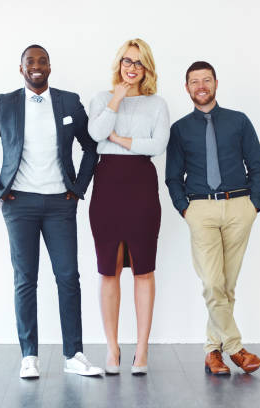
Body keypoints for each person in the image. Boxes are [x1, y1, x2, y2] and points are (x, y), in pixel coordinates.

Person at [0, 44, 103, 378]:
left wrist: (79, 188)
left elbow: (91, 147)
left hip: (61, 203)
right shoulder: (6, 103)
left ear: (49, 66)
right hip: (19, 205)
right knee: (25, 280)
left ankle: (74, 355)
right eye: (30, 62)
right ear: (21, 69)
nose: (37, 66)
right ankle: (29, 356)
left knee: (68, 278)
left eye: (42, 61)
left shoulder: (69, 101)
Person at [166, 61, 260, 375]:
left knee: (226, 286)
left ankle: (212, 353)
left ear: (216, 83)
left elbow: (257, 165)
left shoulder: (239, 121)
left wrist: (254, 203)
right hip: (201, 209)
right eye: (194, 81)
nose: (201, 86)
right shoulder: (180, 129)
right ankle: (235, 348)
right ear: (187, 88)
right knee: (212, 283)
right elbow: (172, 177)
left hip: (239, 206)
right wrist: (185, 208)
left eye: (206, 80)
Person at [87, 38, 169, 375]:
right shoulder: (103, 99)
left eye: (138, 62)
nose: (131, 68)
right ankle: (112, 348)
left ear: (146, 67)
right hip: (106, 187)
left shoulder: (157, 103)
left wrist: (119, 140)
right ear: (119, 64)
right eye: (126, 61)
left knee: (143, 269)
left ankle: (142, 349)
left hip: (141, 187)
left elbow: (158, 144)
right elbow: (95, 134)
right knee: (108, 270)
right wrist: (116, 101)